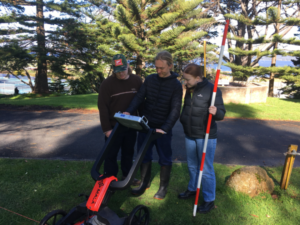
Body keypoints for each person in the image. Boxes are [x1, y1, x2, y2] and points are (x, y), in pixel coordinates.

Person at [123, 50, 182, 200]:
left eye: (161, 68)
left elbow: (175, 110)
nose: (158, 70)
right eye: (156, 67)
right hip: (146, 126)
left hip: (162, 129)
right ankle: (144, 183)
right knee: (143, 155)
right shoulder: (150, 80)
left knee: (165, 158)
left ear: (170, 65)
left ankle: (163, 188)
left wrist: (165, 128)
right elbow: (139, 97)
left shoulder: (176, 85)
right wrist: (129, 111)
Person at [178, 64, 226, 214]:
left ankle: (209, 199)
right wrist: (183, 119)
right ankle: (192, 189)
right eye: (184, 79)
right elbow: (187, 108)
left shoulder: (212, 90)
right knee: (192, 165)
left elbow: (222, 114)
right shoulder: (190, 89)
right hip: (190, 133)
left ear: (198, 78)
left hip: (206, 136)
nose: (185, 82)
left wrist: (216, 111)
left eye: (188, 79)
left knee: (205, 169)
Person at [98, 54, 142, 185]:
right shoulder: (107, 84)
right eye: (117, 71)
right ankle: (109, 179)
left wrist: (142, 122)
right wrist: (106, 129)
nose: (121, 74)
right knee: (110, 154)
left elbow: (141, 102)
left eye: (123, 70)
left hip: (131, 125)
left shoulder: (137, 81)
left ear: (128, 66)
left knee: (128, 153)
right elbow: (103, 108)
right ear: (113, 69)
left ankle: (127, 176)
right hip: (113, 127)